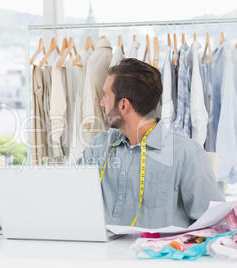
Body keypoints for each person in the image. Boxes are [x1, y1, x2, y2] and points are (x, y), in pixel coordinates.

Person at [77, 58, 225, 229]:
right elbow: (71, 195)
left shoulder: (186, 154)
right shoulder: (99, 146)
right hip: (96, 254)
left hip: (156, 254)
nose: (102, 103)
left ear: (123, 105)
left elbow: (216, 225)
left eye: (105, 96)